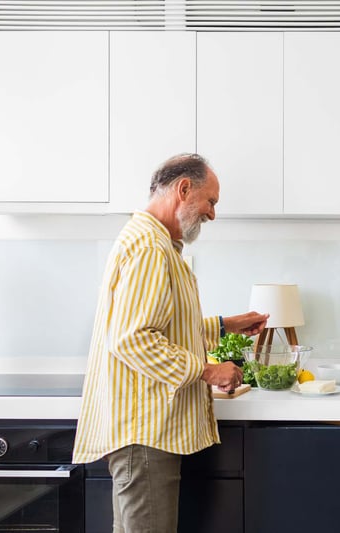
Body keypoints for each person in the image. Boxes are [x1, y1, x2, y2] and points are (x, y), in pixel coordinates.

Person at [72, 153, 268, 532]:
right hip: (144, 432)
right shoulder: (149, 248)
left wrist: (227, 325)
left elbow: (163, 326)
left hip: (145, 430)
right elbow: (133, 339)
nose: (212, 213)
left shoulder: (152, 242)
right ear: (183, 189)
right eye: (210, 201)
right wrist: (209, 370)